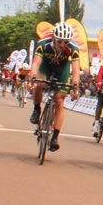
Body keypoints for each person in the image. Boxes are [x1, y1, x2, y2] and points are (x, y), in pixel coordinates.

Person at [28, 22, 81, 152]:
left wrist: (75, 87)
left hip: (62, 69)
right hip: (45, 66)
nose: (62, 45)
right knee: (39, 84)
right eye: (59, 41)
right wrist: (32, 80)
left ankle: (55, 137)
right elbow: (36, 64)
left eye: (66, 42)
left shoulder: (74, 48)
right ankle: (36, 108)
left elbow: (75, 70)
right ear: (53, 38)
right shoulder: (43, 43)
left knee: (59, 100)